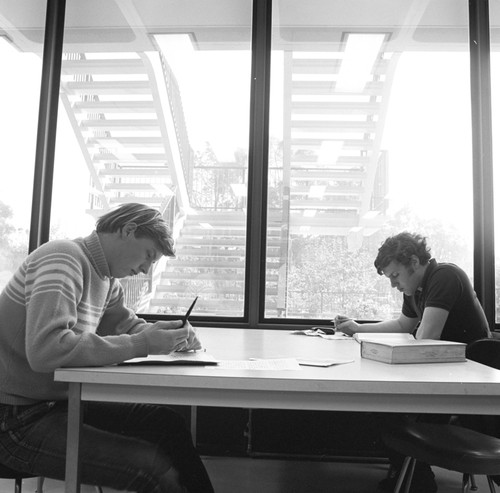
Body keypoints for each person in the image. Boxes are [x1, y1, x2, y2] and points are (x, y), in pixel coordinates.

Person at [0, 203, 214, 493]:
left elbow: (126, 326)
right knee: (151, 468)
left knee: (167, 425)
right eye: (149, 255)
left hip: (55, 405)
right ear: (128, 230)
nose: (145, 269)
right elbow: (46, 351)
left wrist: (167, 336)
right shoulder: (62, 259)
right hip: (13, 421)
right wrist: (144, 344)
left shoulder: (106, 279)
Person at [335, 231, 491, 493]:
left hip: (470, 376)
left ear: (415, 262)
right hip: (441, 369)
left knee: (391, 408)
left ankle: (417, 481)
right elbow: (402, 325)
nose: (394, 284)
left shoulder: (444, 276)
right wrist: (357, 328)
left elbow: (426, 335)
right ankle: (408, 476)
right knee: (381, 404)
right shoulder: (415, 289)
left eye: (395, 275)